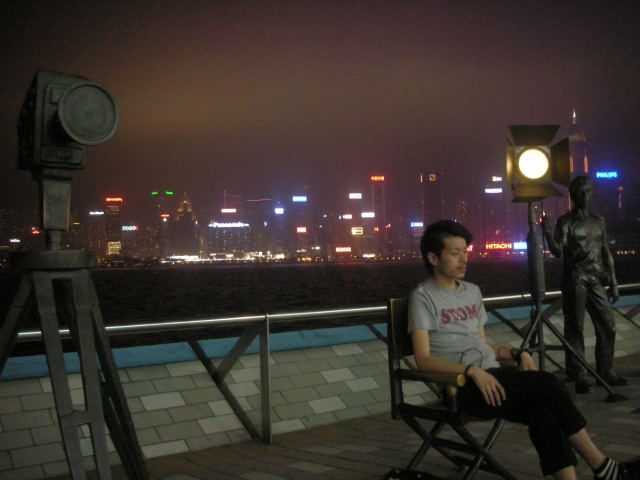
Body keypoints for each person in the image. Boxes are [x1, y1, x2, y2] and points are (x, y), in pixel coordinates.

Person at [408, 220, 638, 480]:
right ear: (433, 258)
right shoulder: (423, 297)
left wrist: (516, 354)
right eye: (454, 253)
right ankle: (603, 467)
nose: (464, 259)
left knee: (544, 412)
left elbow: (481, 344)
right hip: (462, 387)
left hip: (492, 377)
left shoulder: (472, 292)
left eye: (465, 251)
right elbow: (423, 360)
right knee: (548, 384)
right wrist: (471, 372)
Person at [541, 175, 626, 393]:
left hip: (595, 278)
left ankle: (606, 371)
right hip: (575, 278)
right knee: (575, 328)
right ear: (572, 195)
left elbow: (606, 252)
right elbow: (557, 251)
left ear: (592, 193)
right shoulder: (565, 221)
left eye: (588, 190)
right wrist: (547, 232)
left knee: (607, 325)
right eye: (580, 191)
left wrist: (614, 283)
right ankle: (578, 373)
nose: (584, 195)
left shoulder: (599, 221)